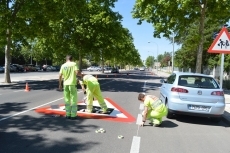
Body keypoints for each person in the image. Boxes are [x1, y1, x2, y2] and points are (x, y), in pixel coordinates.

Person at [59, 55, 79, 120]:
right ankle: (73, 115)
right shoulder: (74, 64)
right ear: (71, 59)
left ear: (66, 59)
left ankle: (68, 114)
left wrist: (60, 84)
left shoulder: (63, 65)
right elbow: (77, 72)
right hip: (72, 84)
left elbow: (60, 75)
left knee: (67, 99)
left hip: (65, 84)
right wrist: (80, 75)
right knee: (73, 99)